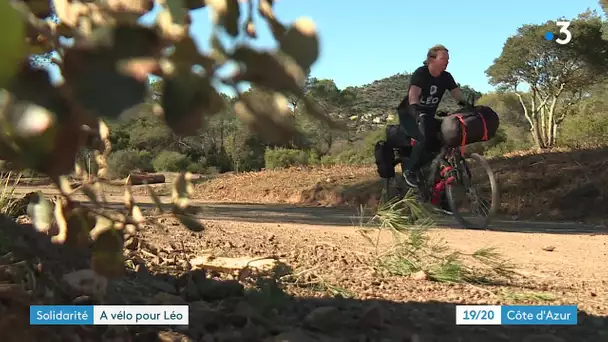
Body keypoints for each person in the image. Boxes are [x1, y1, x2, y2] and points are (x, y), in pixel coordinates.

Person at [396, 44, 467, 214]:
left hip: (428, 116)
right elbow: (413, 96)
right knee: (423, 138)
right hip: (410, 115)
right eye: (444, 59)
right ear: (431, 59)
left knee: (443, 146)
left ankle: (440, 197)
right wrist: (416, 111)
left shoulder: (446, 77)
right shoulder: (421, 73)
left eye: (448, 60)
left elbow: (457, 95)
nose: (447, 63)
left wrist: (468, 106)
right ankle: (410, 171)